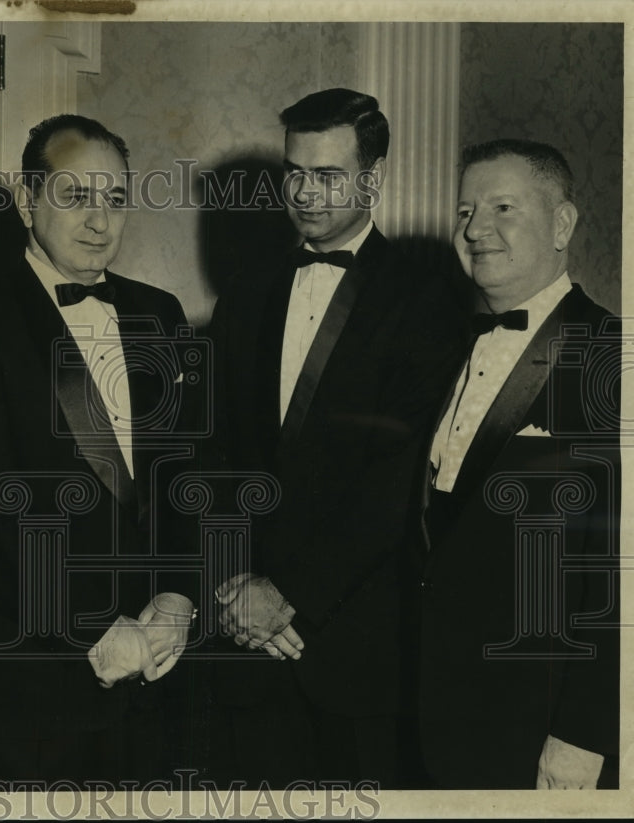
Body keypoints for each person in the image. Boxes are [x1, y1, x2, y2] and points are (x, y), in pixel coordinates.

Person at [0, 114, 199, 785]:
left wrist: (179, 596)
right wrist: (92, 629)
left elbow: (189, 471)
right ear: (27, 201)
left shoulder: (159, 312)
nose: (99, 222)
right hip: (36, 682)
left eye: (114, 200)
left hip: (160, 673)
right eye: (76, 198)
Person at [208, 88, 463, 786]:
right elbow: (213, 453)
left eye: (330, 175)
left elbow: (398, 472)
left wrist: (287, 592)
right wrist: (234, 585)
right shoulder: (247, 290)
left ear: (373, 178)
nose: (307, 192)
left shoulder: (430, 296)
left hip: (358, 652)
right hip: (245, 646)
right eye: (295, 172)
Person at [416, 139, 619, 789]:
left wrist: (584, 737)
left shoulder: (611, 356)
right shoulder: (443, 349)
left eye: (503, 207)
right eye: (466, 209)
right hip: (433, 715)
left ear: (562, 224)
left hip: (540, 731)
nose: (476, 228)